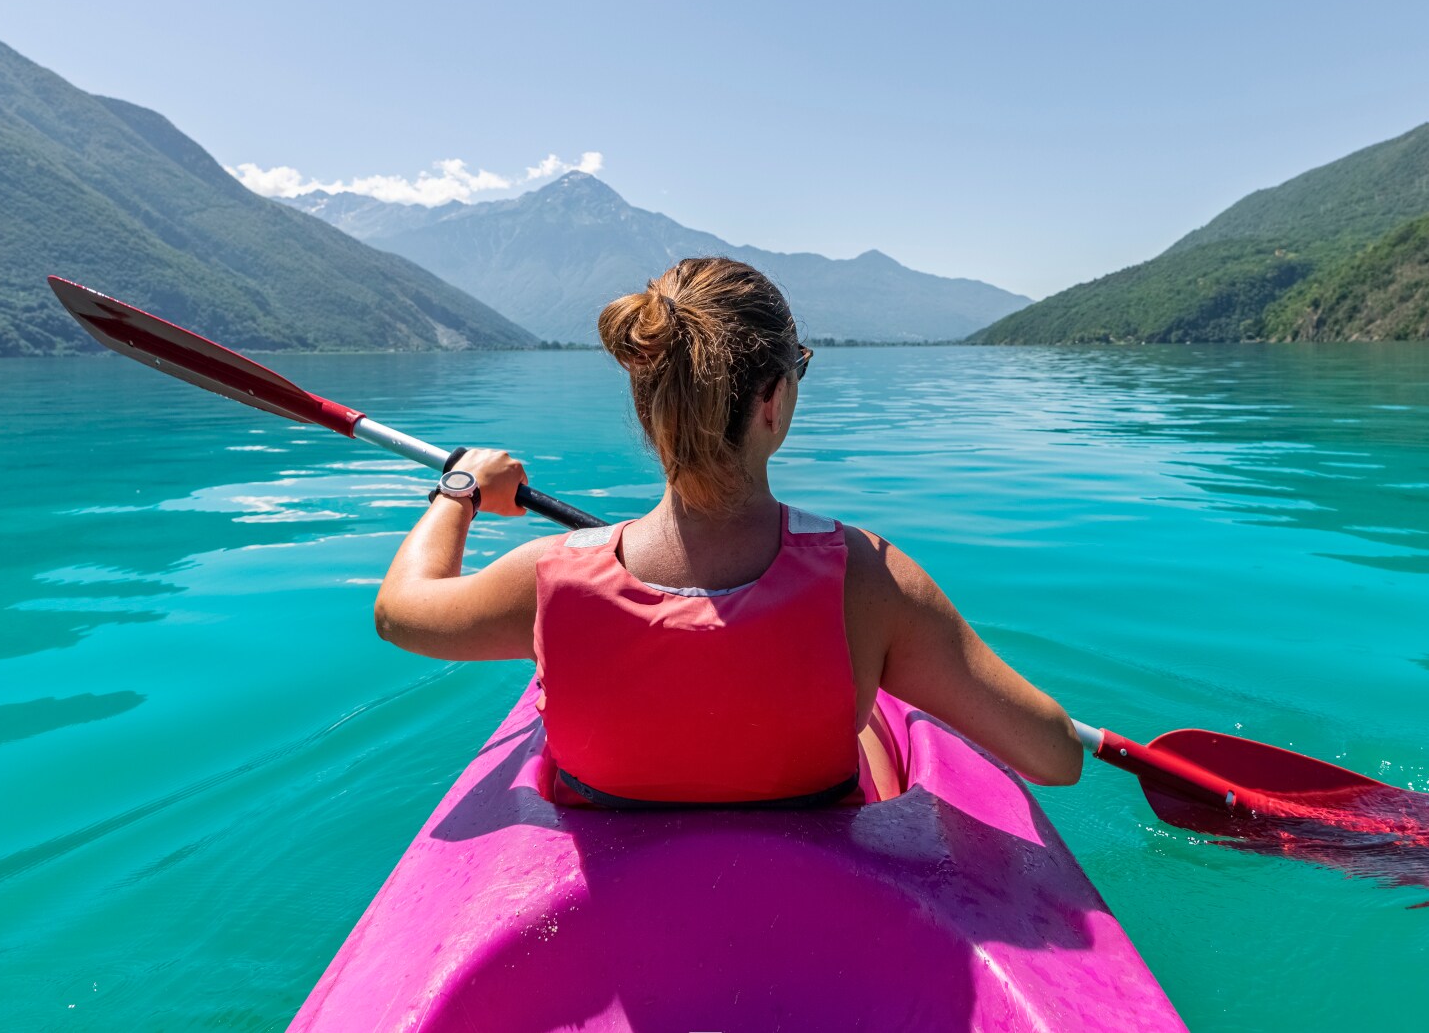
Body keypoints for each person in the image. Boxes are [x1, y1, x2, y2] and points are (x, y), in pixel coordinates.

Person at [375, 256, 1084, 807]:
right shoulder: (870, 581)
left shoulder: (548, 578)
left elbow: (401, 615)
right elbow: (1056, 757)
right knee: (870, 722)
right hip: (819, 897)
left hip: (619, 913)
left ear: (646, 403)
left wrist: (459, 490)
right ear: (774, 400)